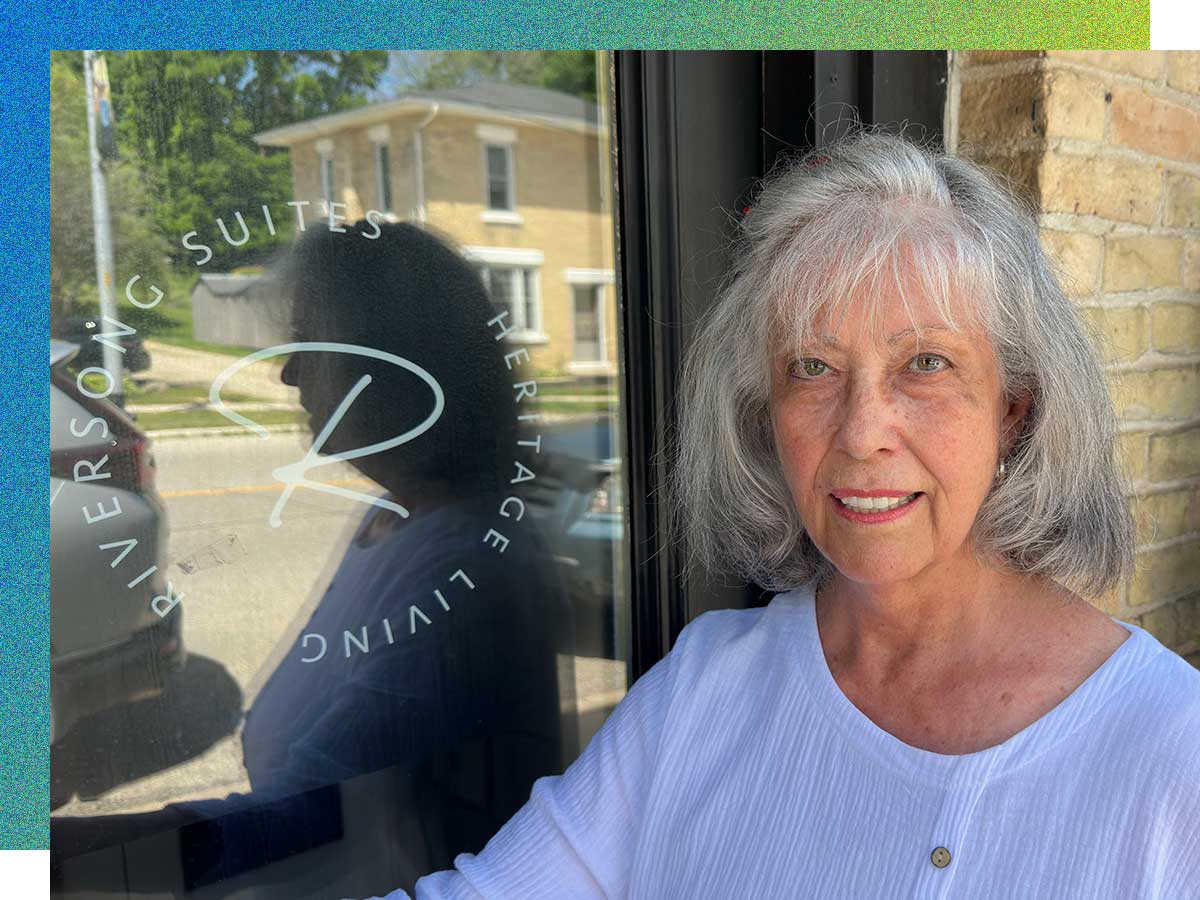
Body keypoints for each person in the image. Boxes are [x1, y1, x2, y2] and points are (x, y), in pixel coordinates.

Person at [361, 130, 1200, 899]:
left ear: (1013, 407)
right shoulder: (706, 687)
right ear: (764, 413)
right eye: (813, 366)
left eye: (926, 363)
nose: (863, 430)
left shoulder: (1172, 749)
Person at [51, 221, 575, 899]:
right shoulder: (389, 524)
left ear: (391, 366)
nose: (288, 371)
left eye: (310, 344)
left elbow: (303, 816)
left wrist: (59, 859)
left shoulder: (471, 571)